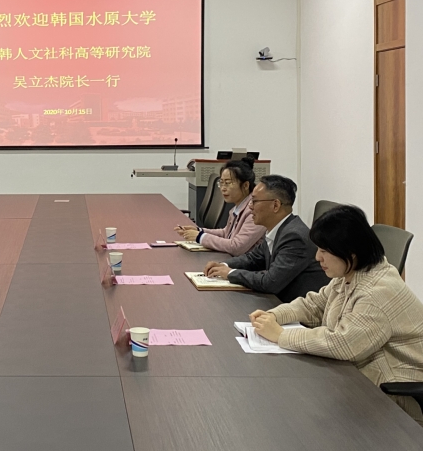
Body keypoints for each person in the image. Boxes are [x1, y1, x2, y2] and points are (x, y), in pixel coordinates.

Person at [250, 205, 423, 425]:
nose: (317, 257)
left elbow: (343, 344)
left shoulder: (377, 291)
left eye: (324, 251)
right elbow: (315, 305)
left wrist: (281, 336)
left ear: (350, 253)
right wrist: (274, 316)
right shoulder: (351, 274)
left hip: (393, 398)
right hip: (359, 377)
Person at [203, 174, 329, 302]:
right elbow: (253, 258)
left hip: (297, 307)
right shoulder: (278, 229)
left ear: (275, 205)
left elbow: (270, 282)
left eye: (254, 201)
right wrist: (223, 265)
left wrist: (230, 273)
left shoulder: (294, 237)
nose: (250, 206)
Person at [175, 158, 265, 256]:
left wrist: (200, 237)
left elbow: (237, 246)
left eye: (228, 183)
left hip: (248, 264)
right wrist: (199, 231)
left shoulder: (255, 211)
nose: (223, 188)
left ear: (245, 185)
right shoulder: (237, 208)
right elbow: (226, 233)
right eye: (221, 183)